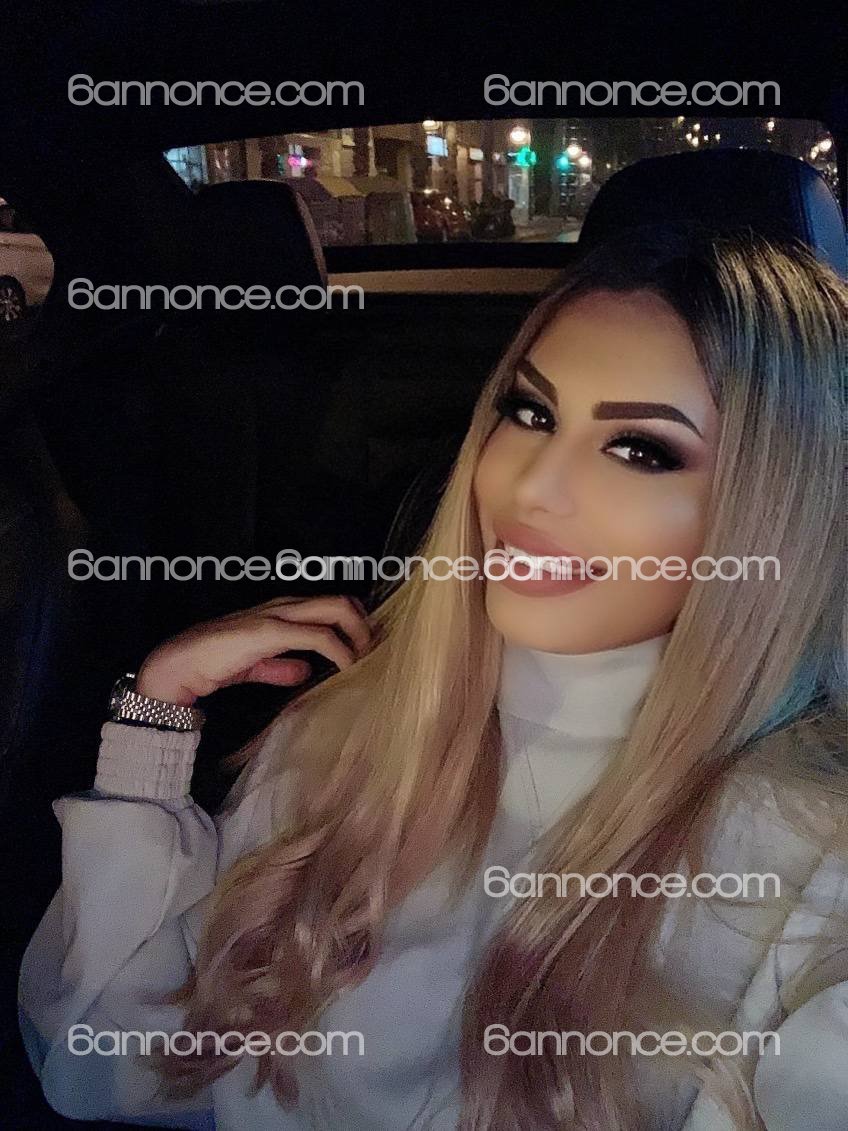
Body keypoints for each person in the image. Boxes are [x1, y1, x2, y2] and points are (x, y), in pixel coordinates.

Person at [19, 229, 848, 1130]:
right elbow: (108, 1065)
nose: (533, 486)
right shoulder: (341, 735)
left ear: (776, 507)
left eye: (641, 450)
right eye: (531, 413)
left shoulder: (809, 871)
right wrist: (153, 716)